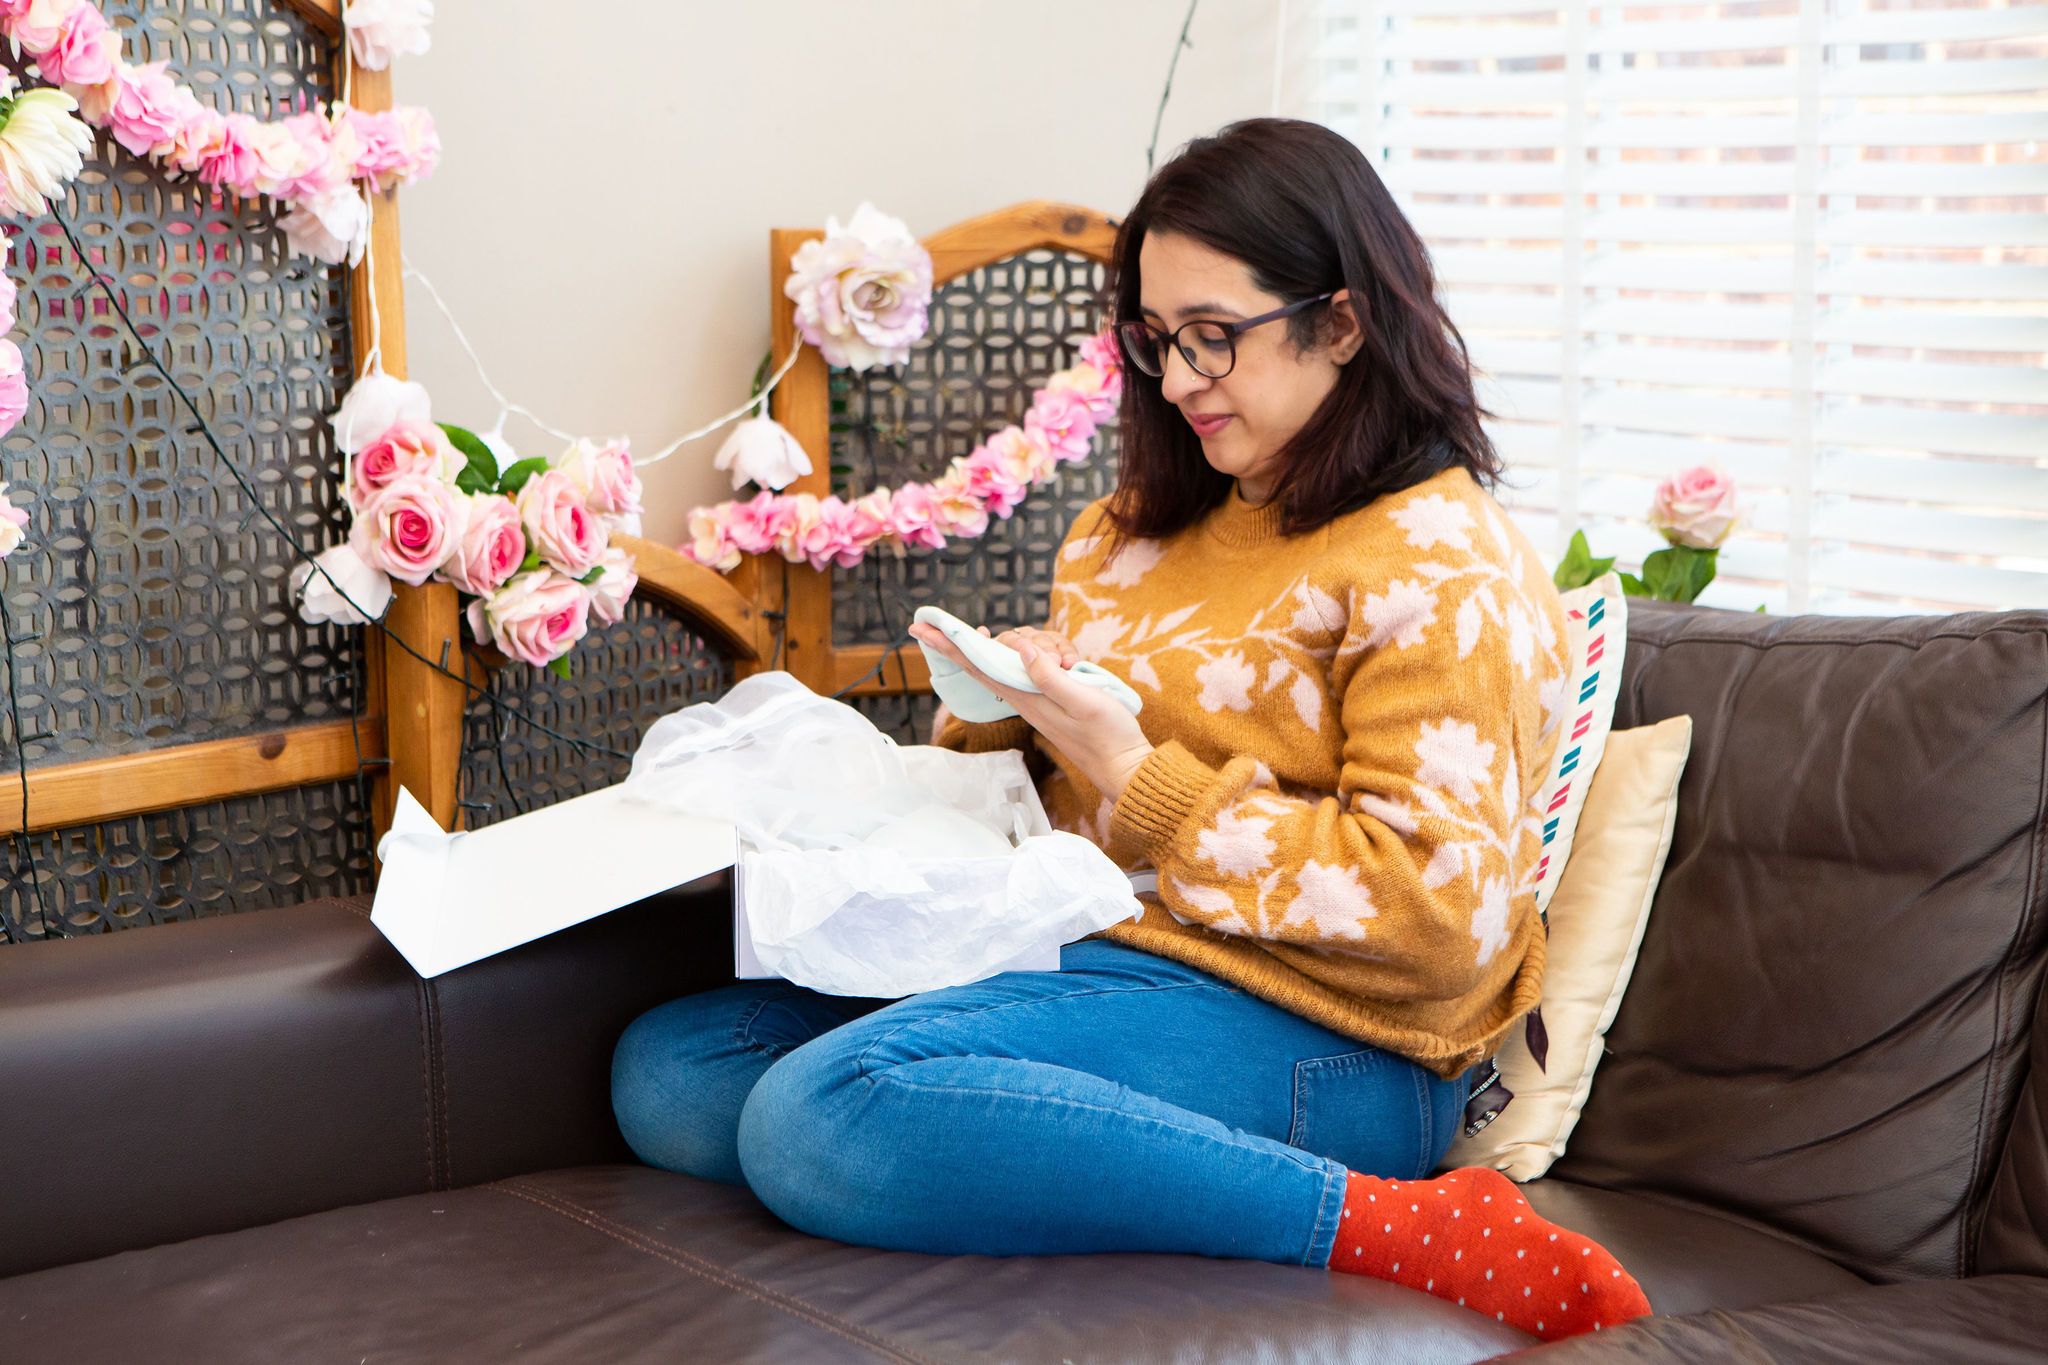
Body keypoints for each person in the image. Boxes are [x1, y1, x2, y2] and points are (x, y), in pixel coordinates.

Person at [611, 117, 1650, 1342]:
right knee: (672, 1070)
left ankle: (1381, 1222)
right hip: (1081, 950)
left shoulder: (1441, 562)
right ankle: (1040, 1148)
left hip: (1327, 1033)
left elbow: (1437, 923)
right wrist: (1003, 717)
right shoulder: (1124, 534)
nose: (1175, 379)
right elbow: (1051, 812)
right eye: (1154, 341)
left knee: (815, 1116)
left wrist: (1132, 773)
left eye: (1213, 336)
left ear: (1342, 321)